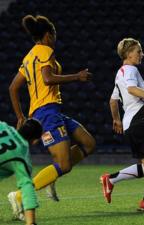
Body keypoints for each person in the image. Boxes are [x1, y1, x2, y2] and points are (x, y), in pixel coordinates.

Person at [8, 14, 96, 218]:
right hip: (46, 113)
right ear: (48, 34)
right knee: (64, 164)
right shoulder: (46, 51)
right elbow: (48, 79)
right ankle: (19, 196)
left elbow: (13, 88)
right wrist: (77, 76)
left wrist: (20, 116)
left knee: (88, 143)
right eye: (54, 34)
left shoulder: (29, 56)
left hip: (52, 111)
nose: (55, 38)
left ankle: (51, 177)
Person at [100, 38, 144, 211]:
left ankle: (110, 179)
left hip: (130, 125)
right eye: (139, 51)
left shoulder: (120, 73)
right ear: (129, 53)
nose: (142, 54)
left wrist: (116, 119)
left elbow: (112, 101)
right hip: (139, 122)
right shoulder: (130, 69)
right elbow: (131, 89)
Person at [0, 119, 42, 225]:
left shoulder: (4, 126)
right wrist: (31, 222)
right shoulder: (21, 156)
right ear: (34, 140)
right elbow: (27, 188)